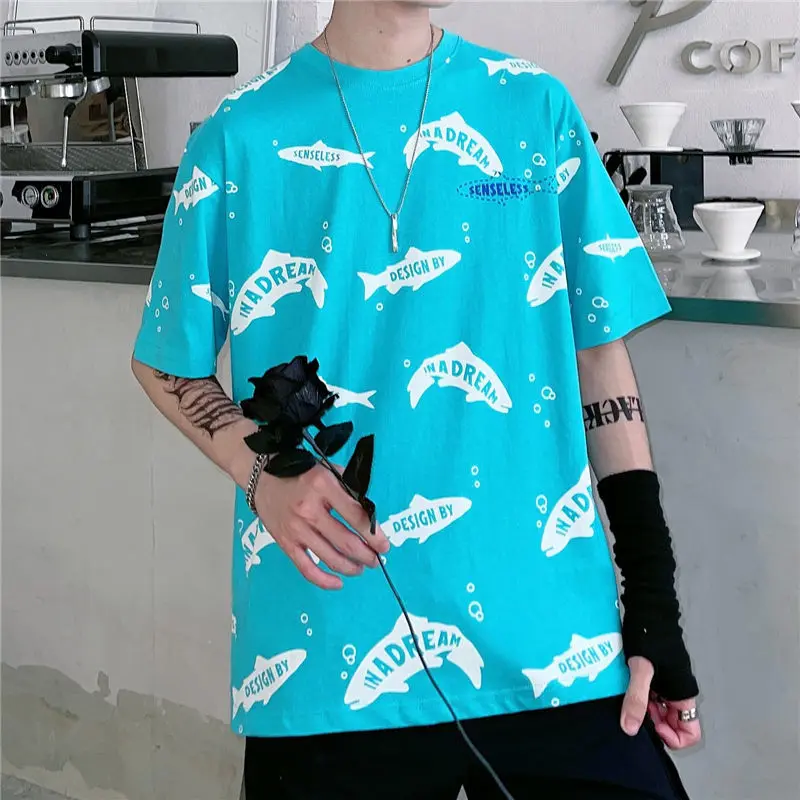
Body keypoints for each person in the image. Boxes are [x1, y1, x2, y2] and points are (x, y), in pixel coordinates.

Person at [131, 1, 702, 797]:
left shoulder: (532, 107)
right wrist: (260, 472)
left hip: (551, 643)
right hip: (327, 652)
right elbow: (167, 363)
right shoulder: (240, 134)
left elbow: (598, 359)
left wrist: (653, 604)